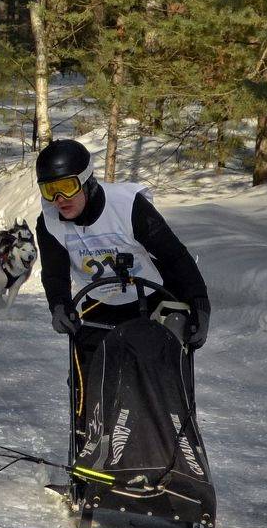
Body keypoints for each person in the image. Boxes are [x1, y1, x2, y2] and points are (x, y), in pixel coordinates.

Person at [34, 138, 211, 413]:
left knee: (157, 372)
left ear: (87, 180)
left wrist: (199, 304)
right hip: (100, 304)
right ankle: (89, 436)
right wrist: (58, 305)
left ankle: (171, 431)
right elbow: (54, 274)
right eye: (49, 190)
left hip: (153, 298)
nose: (59, 199)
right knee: (88, 377)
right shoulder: (49, 223)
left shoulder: (128, 206)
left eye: (67, 187)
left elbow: (175, 256)